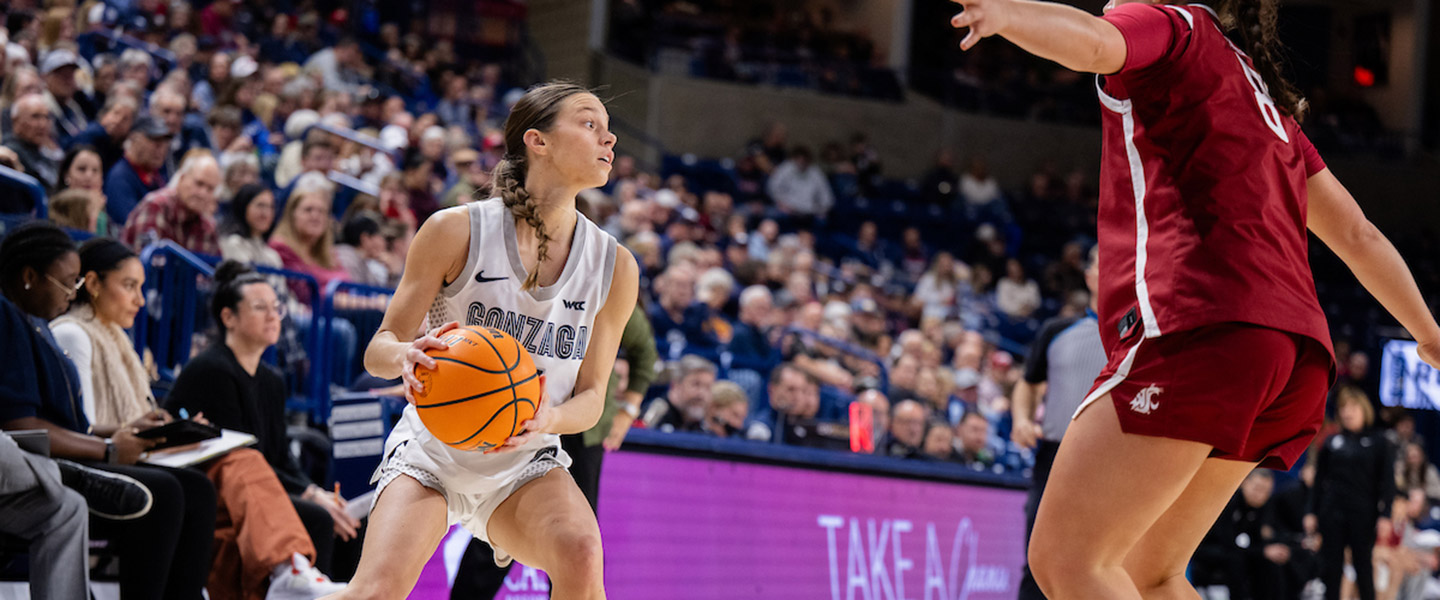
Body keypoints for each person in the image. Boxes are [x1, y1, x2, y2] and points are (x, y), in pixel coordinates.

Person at [942, 0, 1440, 598]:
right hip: (1292, 352)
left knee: (1066, 559)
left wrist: (1006, 14)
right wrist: (1429, 333)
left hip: (1205, 323)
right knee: (1150, 573)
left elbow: (1096, 44)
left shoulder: (1174, 24)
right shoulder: (1266, 98)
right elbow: (1359, 235)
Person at [332, 82, 637, 600]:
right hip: (433, 451)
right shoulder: (455, 231)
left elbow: (591, 400)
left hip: (525, 458)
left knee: (582, 555)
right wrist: (406, 355)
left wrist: (549, 419)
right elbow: (379, 349)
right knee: (376, 591)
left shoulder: (615, 266)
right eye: (590, 125)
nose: (608, 141)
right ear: (537, 141)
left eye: (610, 133)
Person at [49, 239, 344, 600]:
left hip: (155, 457)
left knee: (263, 506)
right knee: (241, 467)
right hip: (119, 461)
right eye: (129, 286)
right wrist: (152, 431)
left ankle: (293, 572)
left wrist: (164, 430)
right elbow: (84, 425)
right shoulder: (75, 334)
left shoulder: (122, 343)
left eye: (276, 307)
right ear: (93, 284)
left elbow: (280, 456)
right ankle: (289, 568)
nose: (140, 300)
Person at [0, 221, 215, 600]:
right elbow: (24, 425)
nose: (72, 293)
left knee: (198, 488)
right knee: (164, 492)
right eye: (67, 282)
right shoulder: (10, 320)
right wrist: (110, 450)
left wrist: (132, 431)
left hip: (72, 448)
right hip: (38, 457)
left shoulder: (40, 327)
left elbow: (76, 424)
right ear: (29, 276)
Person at [166, 261, 364, 581]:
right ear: (228, 317)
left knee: (350, 522)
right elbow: (241, 461)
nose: (273, 316)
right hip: (223, 491)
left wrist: (314, 490)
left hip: (263, 484)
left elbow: (280, 455)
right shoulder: (212, 370)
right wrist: (310, 496)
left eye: (276, 307)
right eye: (260, 308)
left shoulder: (271, 380)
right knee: (319, 518)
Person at [1010, 246, 1106, 600]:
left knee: (1105, 563)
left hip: (1115, 463)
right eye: (1100, 261)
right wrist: (1021, 418)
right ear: (1089, 275)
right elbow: (1027, 382)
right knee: (1039, 560)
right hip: (1054, 455)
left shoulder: (1142, 336)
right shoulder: (1057, 330)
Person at [1307, 387, 1396, 600]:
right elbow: (1319, 480)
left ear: (1364, 410)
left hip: (1363, 515)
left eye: (1353, 407)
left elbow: (1388, 482)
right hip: (1332, 513)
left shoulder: (1379, 441)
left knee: (1363, 565)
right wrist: (1310, 511)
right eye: (1343, 408)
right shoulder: (1331, 441)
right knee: (1331, 568)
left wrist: (1386, 516)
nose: (1348, 412)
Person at [120, 152, 221, 255]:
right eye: (199, 184)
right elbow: (145, 263)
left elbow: (215, 268)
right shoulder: (156, 206)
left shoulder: (207, 226)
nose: (203, 194)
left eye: (210, 189)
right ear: (182, 179)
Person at [104, 115, 173, 226]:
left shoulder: (156, 173)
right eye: (154, 139)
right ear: (134, 139)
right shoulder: (120, 178)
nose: (161, 147)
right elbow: (132, 227)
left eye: (165, 141)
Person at [5, 93, 63, 190]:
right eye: (35, 117)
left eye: (46, 117)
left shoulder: (46, 153)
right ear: (16, 122)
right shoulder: (10, 155)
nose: (43, 124)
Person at [219, 184, 282, 269]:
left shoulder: (273, 256)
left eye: (271, 207)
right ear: (244, 206)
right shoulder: (233, 243)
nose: (266, 214)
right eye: (260, 205)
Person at [57, 144, 110, 234]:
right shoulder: (51, 210)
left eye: (95, 170)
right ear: (66, 175)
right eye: (81, 169)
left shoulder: (104, 213)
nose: (89, 176)